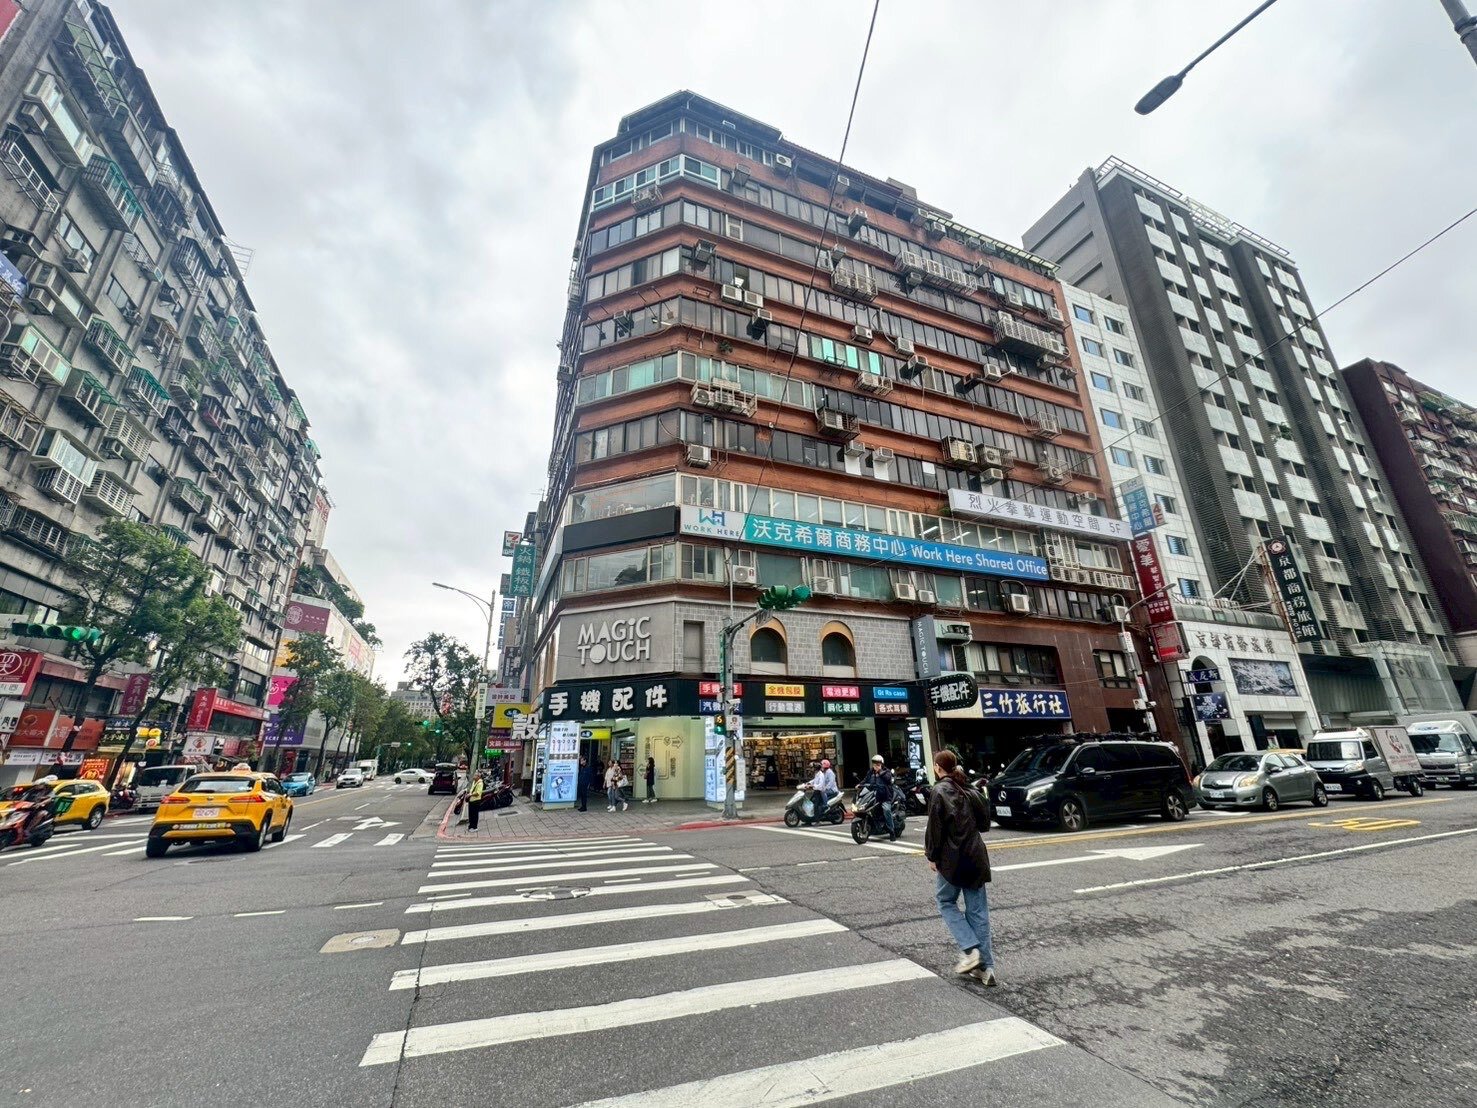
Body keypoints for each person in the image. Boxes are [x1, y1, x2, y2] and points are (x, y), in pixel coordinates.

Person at [924, 749, 996, 986]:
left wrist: (931, 856)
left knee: (945, 901)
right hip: (976, 855)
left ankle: (971, 949)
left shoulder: (939, 791)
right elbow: (984, 824)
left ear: (937, 767)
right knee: (978, 911)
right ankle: (986, 968)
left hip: (952, 859)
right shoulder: (969, 789)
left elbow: (935, 829)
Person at [863, 754, 897, 840]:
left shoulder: (886, 771)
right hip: (874, 795)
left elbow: (888, 779)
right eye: (874, 764)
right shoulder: (871, 772)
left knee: (886, 809)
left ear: (882, 764)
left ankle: (891, 831)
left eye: (878, 764)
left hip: (885, 796)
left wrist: (880, 771)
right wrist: (859, 784)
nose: (876, 765)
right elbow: (866, 779)